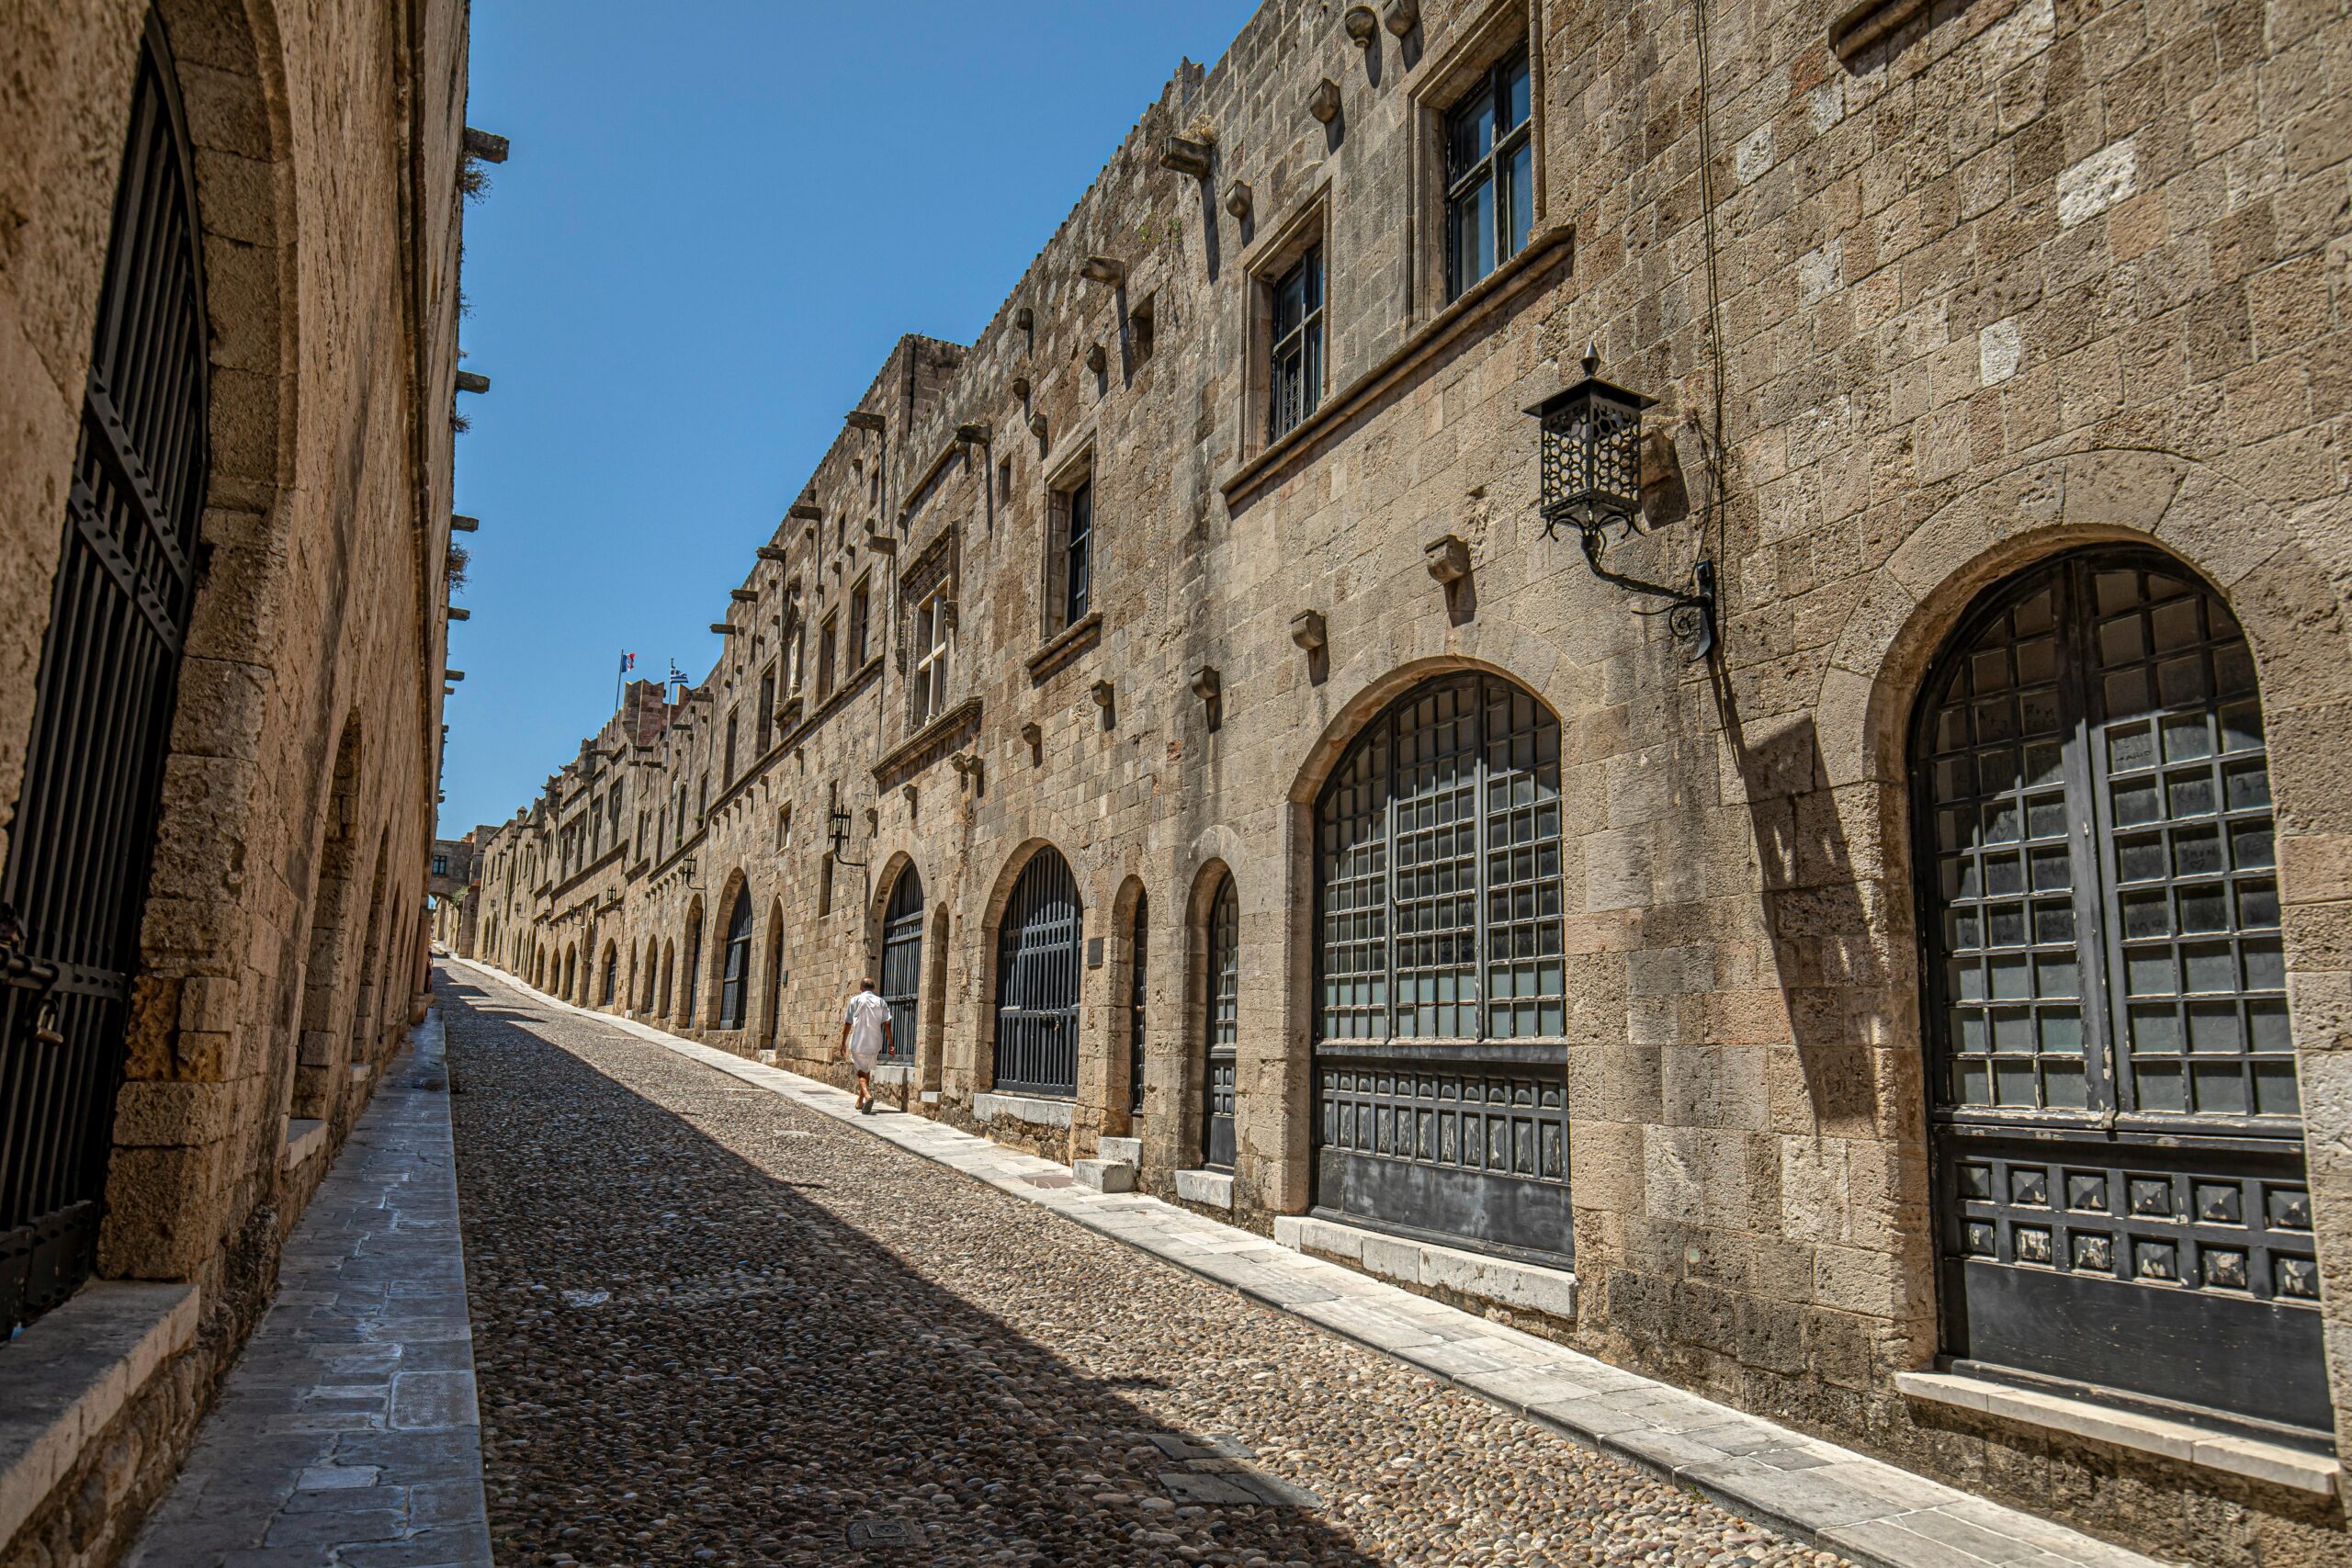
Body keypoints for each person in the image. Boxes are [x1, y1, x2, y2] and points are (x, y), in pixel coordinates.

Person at [837, 976, 893, 1113]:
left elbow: (848, 1024)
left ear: (861, 987)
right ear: (873, 988)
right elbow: (887, 1023)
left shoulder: (855, 1000)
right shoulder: (881, 1002)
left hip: (859, 1042)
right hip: (875, 1042)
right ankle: (859, 1101)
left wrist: (843, 1043)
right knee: (866, 1070)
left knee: (861, 1073)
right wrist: (891, 1044)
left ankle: (867, 1096)